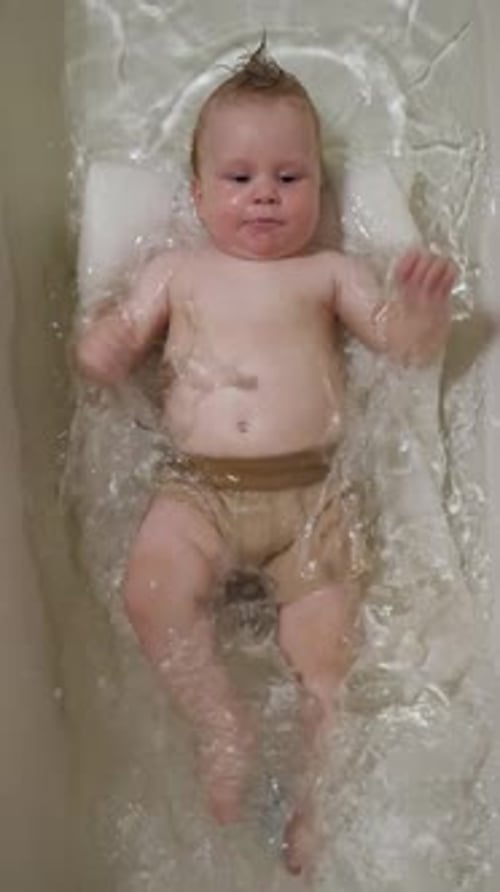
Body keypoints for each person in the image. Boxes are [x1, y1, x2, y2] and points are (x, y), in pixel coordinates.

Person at [74, 42, 455, 876]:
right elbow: (115, 343)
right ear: (199, 191)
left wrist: (422, 315)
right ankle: (223, 723)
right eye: (240, 178)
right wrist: (101, 345)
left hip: (312, 498)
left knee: (328, 661)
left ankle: (314, 803)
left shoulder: (328, 272)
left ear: (318, 189)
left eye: (290, 178)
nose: (265, 197)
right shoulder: (177, 270)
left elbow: (399, 344)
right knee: (150, 594)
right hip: (199, 493)